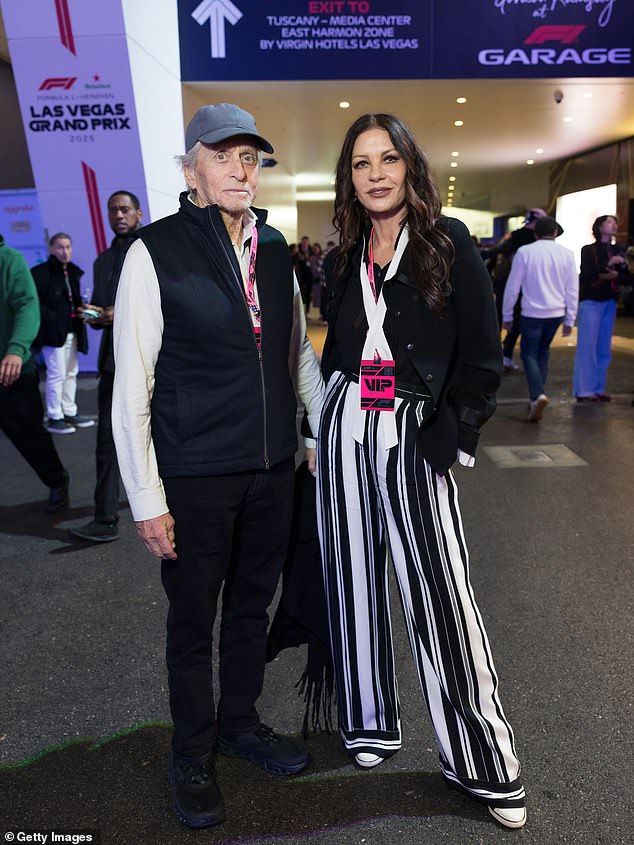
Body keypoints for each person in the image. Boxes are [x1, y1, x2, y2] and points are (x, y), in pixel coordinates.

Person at [111, 103, 324, 829]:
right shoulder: (154, 251)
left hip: (272, 470)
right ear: (191, 169)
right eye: (223, 155)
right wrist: (146, 498)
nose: (240, 169)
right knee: (192, 621)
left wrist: (318, 432)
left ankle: (239, 722)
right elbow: (131, 386)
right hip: (196, 476)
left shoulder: (276, 248)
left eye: (250, 157)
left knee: (251, 610)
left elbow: (295, 352)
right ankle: (191, 751)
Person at [317, 113, 525, 830]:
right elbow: (338, 346)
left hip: (413, 430)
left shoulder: (448, 241)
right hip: (345, 425)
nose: (375, 174)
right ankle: (368, 722)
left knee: (442, 595)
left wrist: (459, 436)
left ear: (410, 166)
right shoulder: (345, 255)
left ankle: (483, 760)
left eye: (388, 159)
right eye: (361, 163)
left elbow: (483, 353)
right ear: (349, 177)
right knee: (351, 580)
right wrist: (319, 426)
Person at [70, 191, 142, 543]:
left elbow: (165, 303)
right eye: (113, 210)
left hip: (151, 360)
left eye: (124, 209)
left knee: (162, 437)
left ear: (138, 213)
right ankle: (105, 517)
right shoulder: (102, 261)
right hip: (113, 363)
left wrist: (120, 311)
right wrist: (97, 315)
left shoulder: (151, 252)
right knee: (107, 441)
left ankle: (177, 508)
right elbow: (103, 307)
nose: (119, 215)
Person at [0, 233, 69, 512]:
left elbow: (27, 306)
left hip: (12, 369)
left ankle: (57, 481)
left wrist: (16, 349)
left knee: (29, 435)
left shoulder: (10, 260)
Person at [503, 216, 578, 422]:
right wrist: (570, 319)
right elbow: (572, 289)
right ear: (555, 233)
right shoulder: (567, 254)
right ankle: (537, 395)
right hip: (556, 314)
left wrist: (507, 315)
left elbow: (513, 287)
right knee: (543, 351)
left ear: (535, 234)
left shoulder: (525, 252)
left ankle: (537, 395)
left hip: (531, 313)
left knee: (528, 354)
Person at [31, 233, 93, 434]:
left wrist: (83, 309)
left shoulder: (72, 271)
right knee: (56, 374)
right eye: (60, 247)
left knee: (71, 373)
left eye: (68, 247)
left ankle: (69, 411)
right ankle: (55, 416)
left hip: (73, 330)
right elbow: (35, 303)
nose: (65, 251)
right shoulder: (40, 273)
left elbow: (72, 301)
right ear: (51, 248)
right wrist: (53, 318)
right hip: (53, 333)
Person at [573, 215, 629, 402]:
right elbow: (586, 275)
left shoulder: (617, 250)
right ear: (599, 227)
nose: (614, 225)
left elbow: (625, 277)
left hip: (609, 301)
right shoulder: (588, 250)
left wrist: (615, 275)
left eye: (615, 222)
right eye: (609, 222)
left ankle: (598, 388)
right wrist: (608, 266)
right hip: (591, 301)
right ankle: (584, 390)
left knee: (604, 347)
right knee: (587, 346)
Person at [486, 208, 547, 371]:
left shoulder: (518, 235)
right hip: (519, 283)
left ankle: (498, 354)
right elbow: (495, 253)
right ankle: (503, 354)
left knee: (504, 318)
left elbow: (495, 253)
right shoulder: (534, 238)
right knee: (514, 320)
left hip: (511, 282)